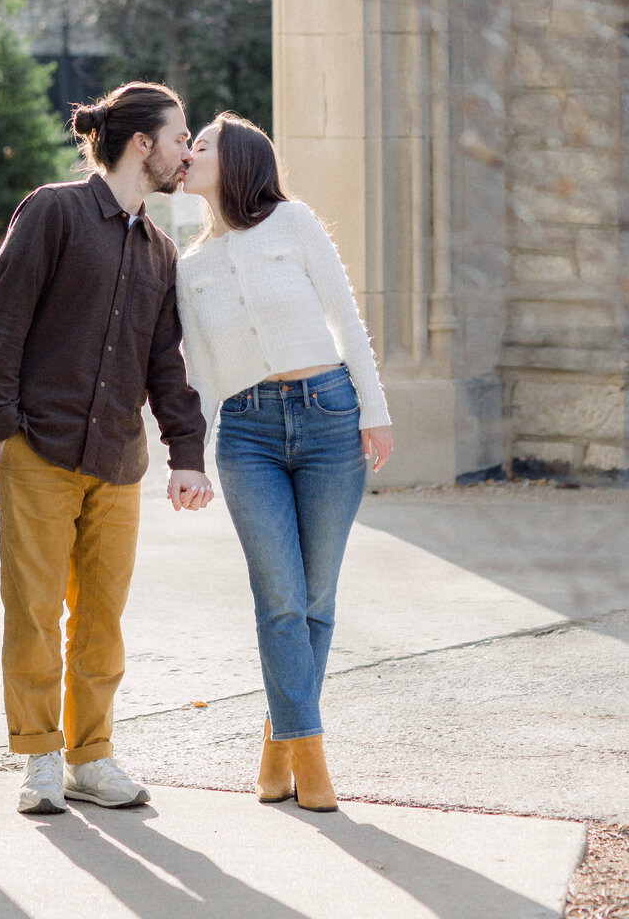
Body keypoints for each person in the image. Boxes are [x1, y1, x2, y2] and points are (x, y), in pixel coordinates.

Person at [0, 81, 214, 818]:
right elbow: (3, 325)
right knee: (35, 614)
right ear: (141, 143)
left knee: (102, 622)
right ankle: (41, 758)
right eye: (179, 138)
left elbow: (163, 364)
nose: (186, 153)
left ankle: (93, 755)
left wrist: (187, 451)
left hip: (116, 463)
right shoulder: (54, 211)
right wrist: (6, 430)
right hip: (38, 452)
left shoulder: (160, 251)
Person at [177, 112, 393, 813]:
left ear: (235, 160)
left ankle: (279, 740)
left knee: (316, 599)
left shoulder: (294, 224)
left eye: (199, 145)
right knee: (280, 597)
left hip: (331, 416)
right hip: (247, 434)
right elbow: (202, 369)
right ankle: (313, 755)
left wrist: (374, 408)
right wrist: (195, 456)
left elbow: (346, 317)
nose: (187, 154)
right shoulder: (191, 263)